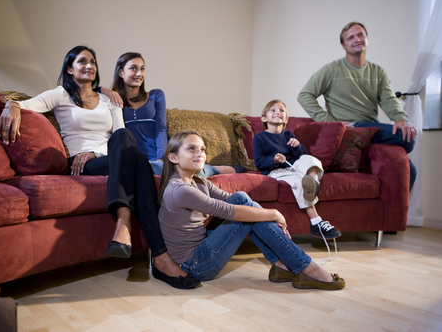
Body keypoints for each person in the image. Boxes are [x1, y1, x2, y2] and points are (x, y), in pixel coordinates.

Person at [0, 45, 200, 289]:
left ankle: (131, 233)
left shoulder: (109, 99)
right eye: (82, 62)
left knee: (129, 144)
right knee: (139, 164)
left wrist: (96, 151)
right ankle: (159, 255)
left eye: (92, 62)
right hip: (81, 163)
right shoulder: (60, 94)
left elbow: (120, 137)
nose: (89, 66)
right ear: (70, 69)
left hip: (105, 157)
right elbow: (28, 104)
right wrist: (12, 106)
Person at [157, 130, 346, 290]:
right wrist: (274, 214)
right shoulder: (180, 190)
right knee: (245, 212)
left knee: (241, 198)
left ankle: (282, 265)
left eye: (202, 149)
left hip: (202, 248)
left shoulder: (198, 181)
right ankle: (305, 267)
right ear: (173, 157)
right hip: (195, 265)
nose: (200, 153)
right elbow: (228, 211)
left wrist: (262, 213)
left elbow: (235, 201)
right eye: (191, 149)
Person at [297, 21, 417, 191]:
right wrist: (331, 122)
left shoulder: (378, 72)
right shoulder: (331, 70)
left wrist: (401, 118)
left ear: (366, 38)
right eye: (350, 37)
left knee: (410, 170)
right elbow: (304, 95)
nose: (357, 39)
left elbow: (389, 99)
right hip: (349, 129)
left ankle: (392, 218)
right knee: (409, 140)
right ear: (343, 45)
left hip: (369, 129)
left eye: (360, 35)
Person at [99, 52, 243, 177]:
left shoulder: (156, 95)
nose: (139, 73)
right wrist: (104, 90)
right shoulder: (112, 101)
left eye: (142, 69)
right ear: (121, 72)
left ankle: (214, 169)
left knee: (179, 171)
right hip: (133, 158)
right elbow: (86, 90)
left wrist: (161, 158)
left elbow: (161, 129)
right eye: (133, 68)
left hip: (158, 156)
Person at [253, 100, 341, 240]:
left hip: (293, 167)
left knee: (310, 159)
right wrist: (274, 160)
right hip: (277, 171)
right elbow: (259, 163)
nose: (278, 112)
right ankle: (316, 222)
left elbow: (302, 157)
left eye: (282, 110)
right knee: (298, 182)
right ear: (264, 118)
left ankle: (312, 182)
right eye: (273, 110)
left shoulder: (289, 135)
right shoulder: (260, 137)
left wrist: (297, 146)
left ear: (286, 119)